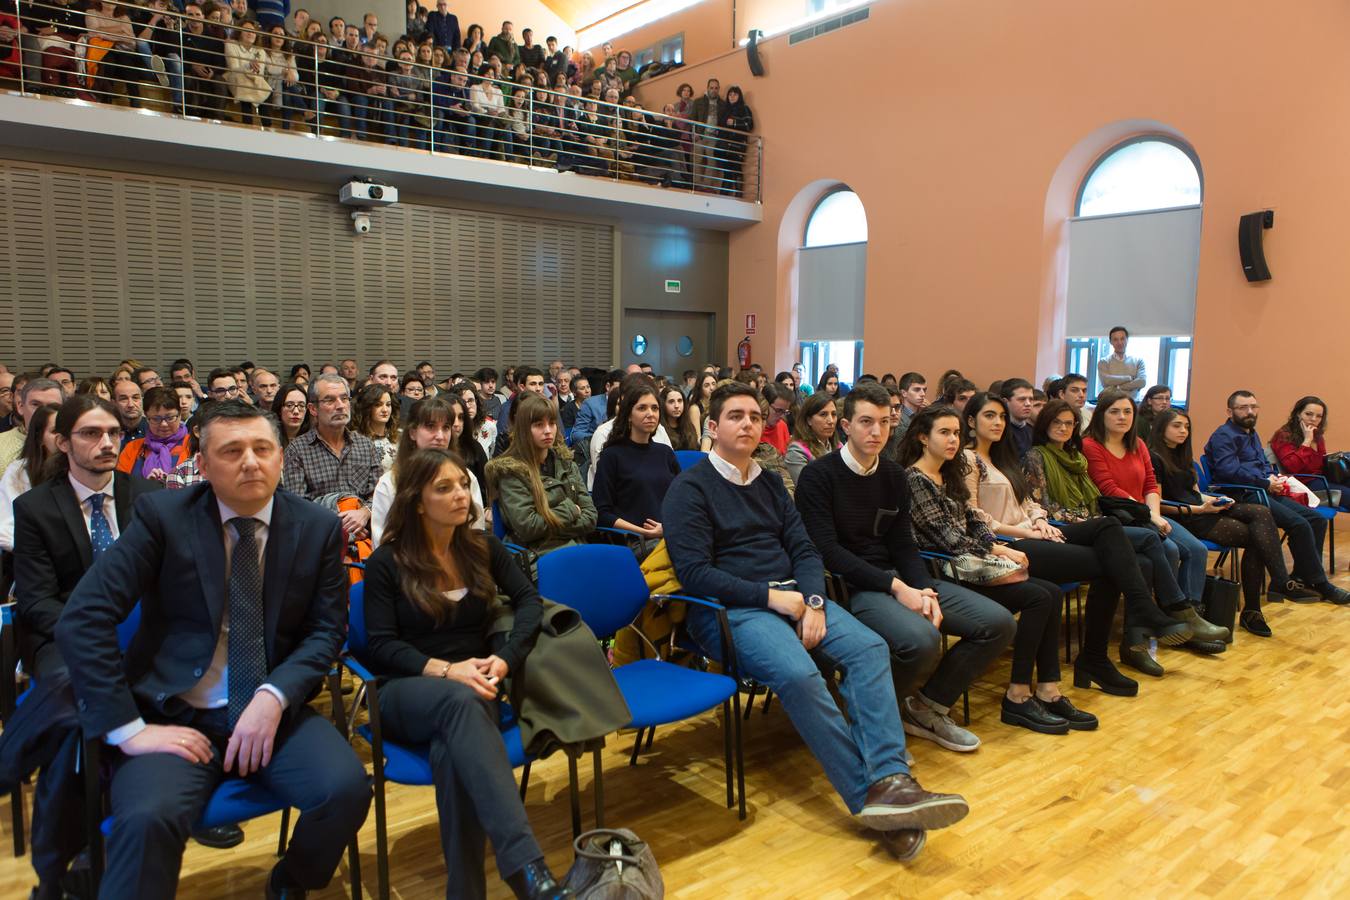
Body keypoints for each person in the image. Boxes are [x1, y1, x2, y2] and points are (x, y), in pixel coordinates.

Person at [55, 402, 371, 899]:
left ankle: (292, 880)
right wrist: (129, 730)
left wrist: (274, 696)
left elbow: (326, 632)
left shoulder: (316, 526)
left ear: (281, 458)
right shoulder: (164, 516)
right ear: (202, 465)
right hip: (176, 714)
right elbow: (82, 618)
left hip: (271, 712)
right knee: (145, 820)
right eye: (232, 450)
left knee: (347, 790)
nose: (250, 461)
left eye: (262, 449)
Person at [663, 382, 969, 861]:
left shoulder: (767, 481)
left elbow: (805, 548)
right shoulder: (690, 488)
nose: (747, 424)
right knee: (802, 676)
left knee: (870, 649)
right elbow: (696, 574)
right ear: (713, 426)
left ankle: (892, 779)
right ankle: (870, 798)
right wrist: (774, 599)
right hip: (728, 610)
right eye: (735, 416)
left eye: (753, 417)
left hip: (795, 597)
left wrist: (812, 599)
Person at [362, 447, 571, 898]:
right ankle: (526, 870)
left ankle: (466, 891)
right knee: (462, 700)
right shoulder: (386, 563)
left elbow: (531, 602)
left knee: (452, 753)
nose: (461, 494)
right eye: (445, 488)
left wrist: (506, 659)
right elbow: (379, 646)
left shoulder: (483, 548)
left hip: (479, 685)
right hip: (406, 688)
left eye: (462, 483)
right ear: (417, 501)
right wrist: (445, 670)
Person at [795, 384, 1016, 753]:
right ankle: (869, 719)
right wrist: (898, 589)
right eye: (866, 422)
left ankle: (925, 707)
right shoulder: (819, 476)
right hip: (854, 587)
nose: (877, 432)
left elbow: (902, 543)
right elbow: (827, 551)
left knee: (998, 624)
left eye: (884, 422)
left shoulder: (894, 475)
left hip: (902, 580)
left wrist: (921, 589)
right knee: (921, 640)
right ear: (846, 426)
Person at [11, 396, 166, 897]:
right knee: (74, 688)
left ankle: (58, 870)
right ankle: (72, 862)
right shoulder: (34, 507)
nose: (105, 443)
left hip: (139, 634)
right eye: (90, 434)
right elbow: (35, 602)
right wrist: (93, 637)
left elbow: (166, 584)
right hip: (63, 637)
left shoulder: (146, 498)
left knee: (78, 722)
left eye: (113, 434)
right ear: (61, 442)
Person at [962, 392, 1194, 696]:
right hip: (1008, 544)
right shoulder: (968, 459)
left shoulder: (1003, 458)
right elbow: (974, 516)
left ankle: (1121, 631)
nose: (998, 422)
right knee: (1123, 563)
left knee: (1109, 525)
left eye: (1002, 416)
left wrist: (1039, 520)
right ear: (970, 421)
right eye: (989, 416)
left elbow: (1030, 502)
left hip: (1036, 532)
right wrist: (1029, 531)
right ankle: (1104, 650)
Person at [898, 406, 1084, 735]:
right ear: (922, 438)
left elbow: (974, 519)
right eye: (944, 433)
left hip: (970, 563)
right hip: (944, 569)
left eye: (956, 433)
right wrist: (996, 549)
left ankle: (1047, 689)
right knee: (1039, 598)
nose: (953, 439)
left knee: (1051, 593)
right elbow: (946, 536)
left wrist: (997, 546)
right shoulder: (914, 479)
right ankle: (1017, 695)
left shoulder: (949, 472)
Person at [1082, 389, 1232, 650]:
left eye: (1127, 411)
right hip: (1118, 516)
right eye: (1114, 411)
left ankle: (1190, 619)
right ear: (1100, 415)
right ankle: (1173, 621)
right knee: (1171, 550)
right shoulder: (1090, 445)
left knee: (1196, 549)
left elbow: (1151, 484)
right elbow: (1108, 489)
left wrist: (1154, 514)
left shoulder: (1138, 444)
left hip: (1147, 512)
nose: (1122, 417)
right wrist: (1150, 516)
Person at [1148, 408, 1318, 636]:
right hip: (1183, 517)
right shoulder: (1154, 457)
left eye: (1186, 427)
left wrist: (1216, 500)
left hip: (1201, 508)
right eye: (1177, 426)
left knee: (1260, 513)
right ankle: (1261, 602)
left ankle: (1272, 589)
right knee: (1259, 538)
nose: (1183, 431)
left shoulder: (1182, 454)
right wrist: (1201, 509)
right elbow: (1158, 503)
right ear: (1161, 429)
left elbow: (1195, 492)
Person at [1204, 390, 1350, 603]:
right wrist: (1266, 482)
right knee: (1299, 524)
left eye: (1254, 407)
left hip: (1263, 489)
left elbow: (1262, 463)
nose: (1250, 411)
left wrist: (1273, 478)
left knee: (1316, 519)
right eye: (1243, 407)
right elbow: (1229, 471)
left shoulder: (1250, 432)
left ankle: (1302, 576)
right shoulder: (1223, 435)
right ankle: (1319, 583)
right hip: (1243, 494)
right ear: (1230, 411)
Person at [485, 393, 596, 555]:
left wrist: (550, 524)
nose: (548, 431)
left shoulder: (566, 463)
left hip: (576, 547)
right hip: (536, 555)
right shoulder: (511, 471)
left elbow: (591, 517)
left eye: (552, 423)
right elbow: (529, 528)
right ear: (523, 429)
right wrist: (572, 511)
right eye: (539, 425)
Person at [282, 374, 383, 543]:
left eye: (344, 398)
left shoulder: (365, 445)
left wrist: (365, 513)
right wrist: (341, 527)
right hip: (319, 539)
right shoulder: (297, 450)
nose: (340, 406)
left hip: (365, 536)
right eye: (330, 400)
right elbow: (297, 507)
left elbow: (378, 494)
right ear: (313, 409)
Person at [371, 397, 485, 545]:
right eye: (431, 426)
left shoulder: (465, 477)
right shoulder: (390, 482)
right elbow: (382, 543)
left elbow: (475, 533)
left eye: (446, 428)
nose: (440, 436)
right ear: (412, 433)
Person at [592, 383, 681, 541]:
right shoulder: (612, 455)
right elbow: (602, 513)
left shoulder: (665, 453)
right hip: (635, 540)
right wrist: (643, 532)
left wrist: (669, 527)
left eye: (655, 408)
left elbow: (683, 500)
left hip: (670, 534)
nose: (650, 414)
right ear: (628, 415)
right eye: (642, 408)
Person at [0, 402, 60, 552]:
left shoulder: (83, 470)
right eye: (55, 431)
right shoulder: (19, 471)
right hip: (33, 554)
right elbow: (5, 529)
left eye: (68, 431)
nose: (62, 438)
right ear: (39, 438)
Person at [1270, 395, 1350, 507]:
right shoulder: (1284, 435)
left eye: (1319, 416)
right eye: (1308, 414)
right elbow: (1292, 467)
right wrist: (1307, 441)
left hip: (1321, 478)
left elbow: (1319, 465)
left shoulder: (1317, 436)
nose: (1313, 419)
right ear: (1298, 414)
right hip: (1302, 483)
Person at [116, 386, 190, 481]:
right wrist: (146, 485)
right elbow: (122, 485)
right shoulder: (132, 448)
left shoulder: (194, 445)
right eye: (156, 419)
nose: (164, 424)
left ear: (179, 415)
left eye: (170, 418)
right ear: (146, 417)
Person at [0, 378, 65, 472]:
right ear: (21, 406)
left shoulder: (72, 445)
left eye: (52, 406)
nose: (43, 412)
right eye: (36, 404)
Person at [785, 391, 839, 483]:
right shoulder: (797, 450)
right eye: (823, 414)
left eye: (833, 414)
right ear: (809, 420)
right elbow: (807, 489)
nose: (831, 421)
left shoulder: (839, 446)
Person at [352, 383, 400, 471]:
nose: (385, 410)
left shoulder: (399, 436)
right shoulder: (354, 439)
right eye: (378, 405)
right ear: (367, 408)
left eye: (388, 405)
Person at [1097, 326, 1146, 400]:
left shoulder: (1138, 361)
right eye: (1115, 339)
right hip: (1111, 403)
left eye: (1122, 339)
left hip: (1133, 404)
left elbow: (1142, 382)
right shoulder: (1104, 362)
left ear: (1127, 340)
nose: (1119, 342)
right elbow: (1106, 381)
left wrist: (1118, 387)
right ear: (1110, 342)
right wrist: (1129, 378)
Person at [999, 378, 1036, 458]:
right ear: (1005, 402)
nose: (1028, 404)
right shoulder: (999, 431)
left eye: (1031, 399)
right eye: (1022, 399)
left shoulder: (1032, 431)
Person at [659, 383, 699, 451]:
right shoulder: (660, 429)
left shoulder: (689, 426)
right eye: (671, 402)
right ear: (663, 404)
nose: (676, 406)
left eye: (680, 401)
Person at [271, 383, 311, 448]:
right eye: (289, 405)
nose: (296, 411)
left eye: (301, 405)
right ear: (279, 409)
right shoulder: (270, 435)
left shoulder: (313, 438)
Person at [894, 373, 927, 439]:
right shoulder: (896, 417)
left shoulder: (924, 414)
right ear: (904, 393)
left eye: (924, 390)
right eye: (917, 390)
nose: (923, 394)